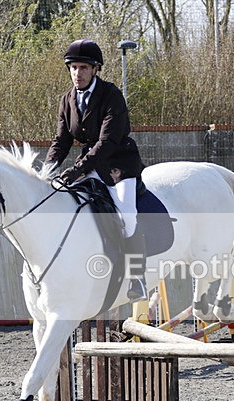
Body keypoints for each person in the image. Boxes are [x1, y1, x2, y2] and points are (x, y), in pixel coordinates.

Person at [45, 39, 147, 302]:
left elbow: (107, 141)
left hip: (119, 164)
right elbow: (61, 141)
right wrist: (47, 170)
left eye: (83, 68)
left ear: (95, 69)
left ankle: (137, 278)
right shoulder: (66, 100)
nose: (77, 73)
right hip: (91, 163)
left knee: (127, 215)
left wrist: (77, 169)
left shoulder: (111, 94)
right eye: (73, 68)